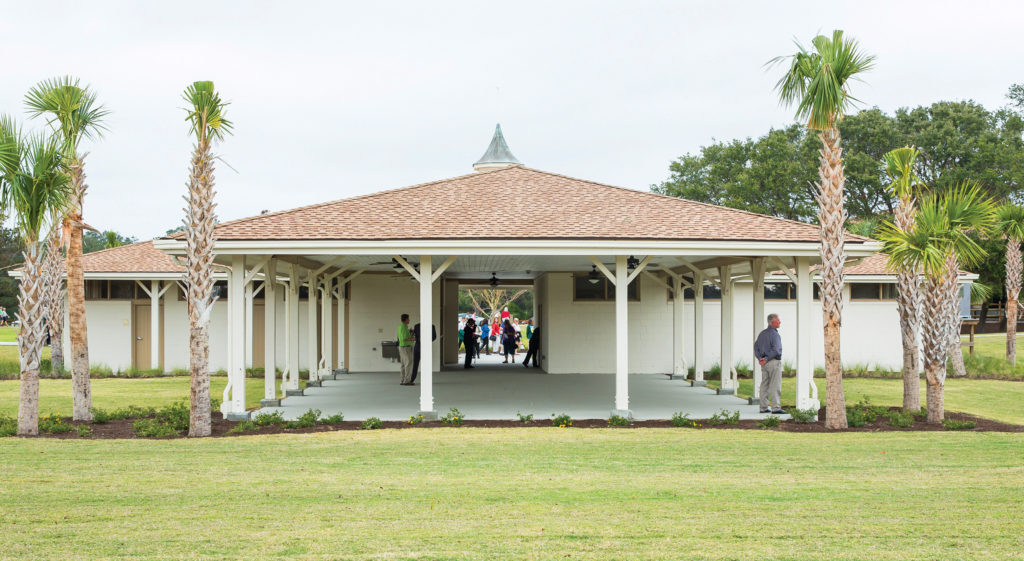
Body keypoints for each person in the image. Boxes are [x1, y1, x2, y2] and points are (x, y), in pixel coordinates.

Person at [754, 313, 785, 414]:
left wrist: (760, 358)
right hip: (773, 362)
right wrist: (766, 358)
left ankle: (763, 407)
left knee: (764, 385)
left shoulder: (762, 334)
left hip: (764, 364)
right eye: (778, 320)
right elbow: (776, 350)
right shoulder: (775, 334)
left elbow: (756, 347)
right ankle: (776, 408)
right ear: (772, 322)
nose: (780, 322)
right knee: (775, 385)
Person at [397, 313, 416, 385]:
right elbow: (405, 339)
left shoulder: (400, 327)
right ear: (405, 319)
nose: (409, 320)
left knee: (403, 364)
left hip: (401, 347)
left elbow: (401, 337)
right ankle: (407, 381)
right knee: (409, 363)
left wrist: (410, 332)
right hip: (406, 348)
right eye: (408, 319)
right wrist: (414, 338)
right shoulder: (404, 327)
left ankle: (402, 380)